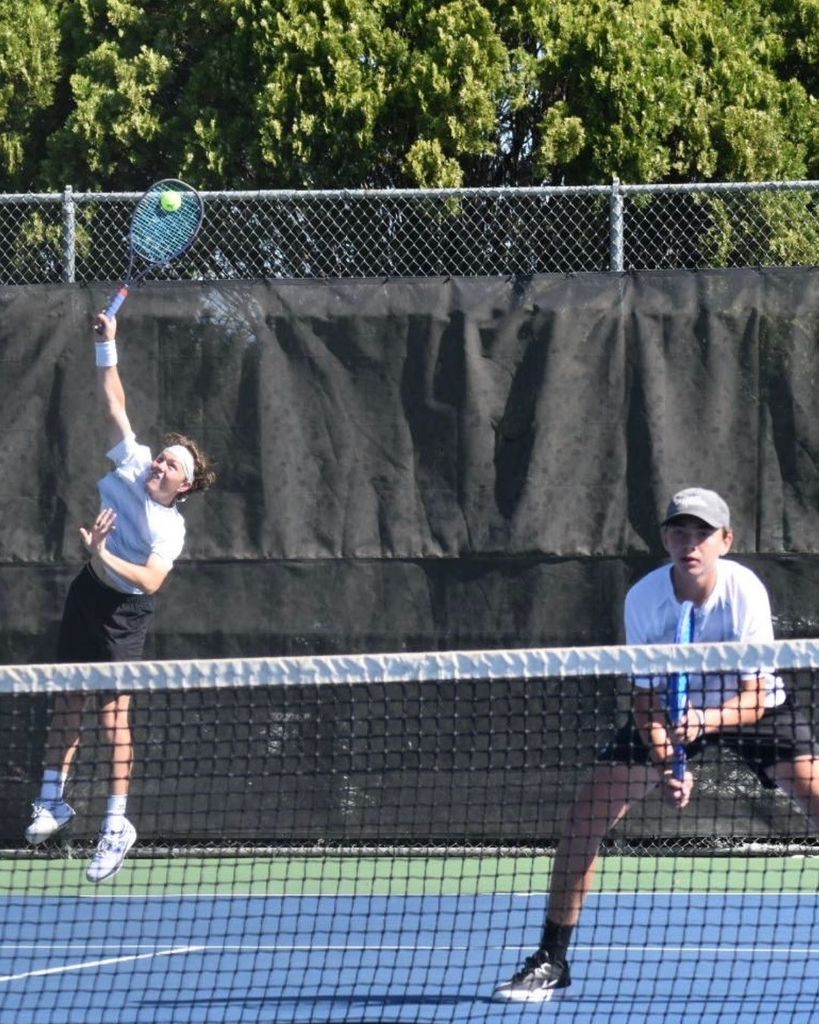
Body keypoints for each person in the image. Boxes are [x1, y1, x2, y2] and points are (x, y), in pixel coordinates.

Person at [494, 486, 819, 1002]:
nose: (690, 543)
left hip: (750, 708)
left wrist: (705, 720)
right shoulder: (644, 598)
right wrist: (671, 760)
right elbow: (644, 699)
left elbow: (756, 694)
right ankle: (551, 959)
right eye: (679, 532)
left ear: (725, 541)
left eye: (703, 534)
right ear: (666, 539)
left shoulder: (745, 592)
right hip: (668, 710)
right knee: (586, 818)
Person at [24, 311, 215, 883]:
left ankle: (116, 824)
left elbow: (150, 582)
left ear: (185, 485)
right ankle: (52, 798)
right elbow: (114, 404)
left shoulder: (170, 529)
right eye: (163, 456)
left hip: (123, 613)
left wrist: (102, 553)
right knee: (66, 702)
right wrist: (108, 345)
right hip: (88, 595)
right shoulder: (134, 464)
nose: (160, 463)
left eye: (172, 465)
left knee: (113, 719)